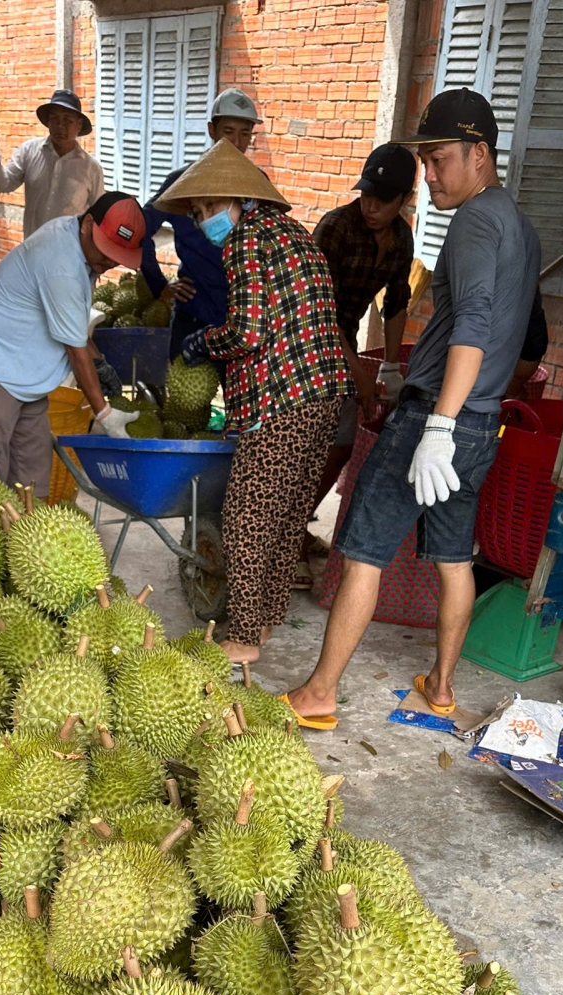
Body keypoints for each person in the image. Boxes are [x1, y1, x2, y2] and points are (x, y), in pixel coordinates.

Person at [285, 88, 541, 728]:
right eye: (424, 162)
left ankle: (319, 693)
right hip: (484, 422)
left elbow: (474, 328)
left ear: (479, 154)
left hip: (444, 420)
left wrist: (437, 424)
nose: (428, 176)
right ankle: (443, 685)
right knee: (455, 557)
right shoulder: (518, 223)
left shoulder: (476, 222)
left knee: (364, 549)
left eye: (439, 159)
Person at [154, 140, 351, 665]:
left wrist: (204, 341)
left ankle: (241, 635)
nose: (202, 221)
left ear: (235, 200)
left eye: (206, 209)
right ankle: (262, 620)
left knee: (246, 516)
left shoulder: (244, 240)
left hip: (283, 398)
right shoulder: (291, 233)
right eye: (195, 214)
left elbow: (248, 330)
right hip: (324, 393)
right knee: (285, 516)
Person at [0, 192, 146, 492]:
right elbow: (75, 351)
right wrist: (104, 413)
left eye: (117, 255)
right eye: (106, 250)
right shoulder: (61, 263)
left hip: (26, 380)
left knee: (31, 482)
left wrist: (100, 366)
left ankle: (23, 536)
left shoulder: (77, 243)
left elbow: (76, 329)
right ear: (87, 223)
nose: (109, 261)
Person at [299, 142, 419, 585]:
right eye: (366, 195)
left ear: (403, 199)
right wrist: (361, 378)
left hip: (343, 339)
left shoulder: (402, 237)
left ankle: (297, 523)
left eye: (382, 200)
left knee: (342, 442)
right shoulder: (336, 228)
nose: (370, 206)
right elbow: (317, 312)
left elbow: (396, 303)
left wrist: (388, 366)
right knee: (314, 441)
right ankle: (286, 533)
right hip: (306, 339)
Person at [139, 88, 261, 359]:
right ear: (211, 130)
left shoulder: (258, 186)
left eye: (245, 133)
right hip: (192, 315)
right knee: (185, 400)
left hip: (241, 321)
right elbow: (140, 231)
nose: (236, 142)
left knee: (239, 401)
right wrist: (158, 284)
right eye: (228, 131)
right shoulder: (181, 183)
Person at [0, 90, 104, 239]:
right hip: (31, 250)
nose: (60, 125)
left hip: (68, 255)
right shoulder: (30, 151)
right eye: (54, 118)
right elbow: (3, 184)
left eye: (67, 120)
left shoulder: (91, 168)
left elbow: (98, 217)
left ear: (78, 125)